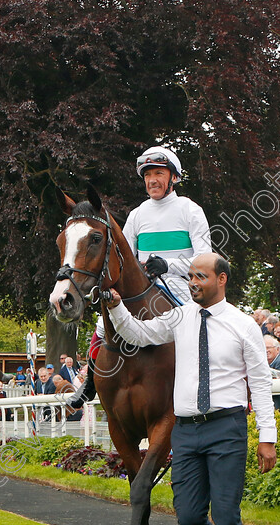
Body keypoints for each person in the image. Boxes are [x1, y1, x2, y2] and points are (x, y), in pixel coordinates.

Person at [106, 252, 276, 525]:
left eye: (200, 276)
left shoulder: (243, 324)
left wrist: (268, 436)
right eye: (191, 277)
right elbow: (139, 333)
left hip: (226, 429)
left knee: (227, 515)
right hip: (186, 430)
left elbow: (261, 383)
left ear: (222, 280)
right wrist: (118, 308)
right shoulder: (180, 317)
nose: (193, 282)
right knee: (188, 517)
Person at [73, 145, 211, 406]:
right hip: (142, 283)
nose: (152, 180)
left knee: (197, 324)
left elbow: (205, 260)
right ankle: (91, 381)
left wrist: (168, 265)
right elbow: (124, 255)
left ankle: (204, 382)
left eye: (159, 173)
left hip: (180, 285)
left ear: (174, 178)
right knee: (103, 326)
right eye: (148, 175)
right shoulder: (137, 215)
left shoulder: (190, 210)